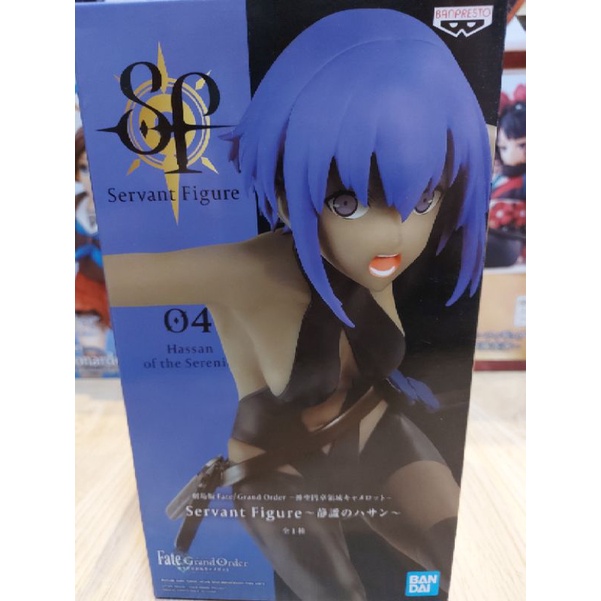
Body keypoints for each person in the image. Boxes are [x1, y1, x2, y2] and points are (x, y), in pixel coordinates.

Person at [104, 9, 491, 600]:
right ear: (289, 186)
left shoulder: (377, 261)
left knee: (447, 562)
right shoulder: (248, 271)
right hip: (275, 466)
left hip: (376, 435)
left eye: (423, 200)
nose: (395, 235)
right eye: (348, 203)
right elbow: (119, 278)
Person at [75, 127, 112, 367]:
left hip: (121, 285)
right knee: (92, 355)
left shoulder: (124, 208)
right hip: (85, 288)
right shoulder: (74, 205)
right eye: (84, 168)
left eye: (100, 168)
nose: (91, 178)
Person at [485, 85, 526, 267]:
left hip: (516, 244)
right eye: (504, 147)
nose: (511, 153)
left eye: (522, 145)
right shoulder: (499, 176)